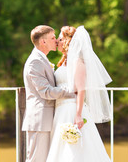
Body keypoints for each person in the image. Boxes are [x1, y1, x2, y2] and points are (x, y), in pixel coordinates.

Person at [46, 25, 112, 162]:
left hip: (71, 108)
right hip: (60, 110)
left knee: (75, 149)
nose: (57, 41)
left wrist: (78, 115)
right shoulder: (65, 62)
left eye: (60, 39)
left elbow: (81, 90)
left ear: (67, 41)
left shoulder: (78, 62)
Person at [22, 25, 75, 162]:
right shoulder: (35, 61)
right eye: (52, 38)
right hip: (40, 120)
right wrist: (71, 91)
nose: (56, 41)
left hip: (48, 119)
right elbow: (46, 92)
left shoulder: (42, 59)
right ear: (43, 42)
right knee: (36, 160)